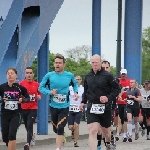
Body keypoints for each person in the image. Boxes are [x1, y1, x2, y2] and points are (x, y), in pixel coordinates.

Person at [79, 54, 121, 150]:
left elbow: (117, 89)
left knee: (106, 132)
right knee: (93, 130)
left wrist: (108, 97)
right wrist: (83, 102)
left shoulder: (108, 75)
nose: (94, 64)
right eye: (93, 62)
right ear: (91, 63)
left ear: (100, 63)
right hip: (92, 106)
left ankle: (109, 142)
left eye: (96, 62)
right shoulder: (88, 76)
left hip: (105, 107)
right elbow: (86, 91)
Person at [39, 54, 78, 150]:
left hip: (64, 106)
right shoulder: (49, 75)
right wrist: (49, 92)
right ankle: (61, 136)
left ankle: (58, 148)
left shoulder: (69, 75)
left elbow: (75, 84)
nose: (57, 65)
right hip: (53, 106)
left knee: (60, 128)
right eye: (56, 63)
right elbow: (41, 87)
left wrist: (76, 92)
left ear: (64, 64)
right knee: (55, 129)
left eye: (60, 63)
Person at [0, 68, 30, 150]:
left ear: (16, 75)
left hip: (16, 114)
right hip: (5, 114)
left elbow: (28, 97)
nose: (10, 75)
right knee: (5, 137)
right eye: (8, 73)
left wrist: (23, 100)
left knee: (12, 135)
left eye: (12, 73)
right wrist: (2, 100)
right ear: (6, 76)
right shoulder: (2, 87)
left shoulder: (20, 87)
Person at [19, 67, 41, 150]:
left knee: (29, 124)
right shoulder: (21, 84)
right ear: (25, 74)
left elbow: (39, 94)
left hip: (33, 107)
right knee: (27, 126)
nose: (29, 75)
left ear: (33, 74)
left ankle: (27, 144)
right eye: (27, 73)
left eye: (30, 73)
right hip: (24, 108)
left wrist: (39, 96)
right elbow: (18, 94)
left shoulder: (37, 84)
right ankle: (31, 136)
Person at [68, 75, 84, 147]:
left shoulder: (83, 89)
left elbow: (85, 98)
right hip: (70, 109)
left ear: (81, 80)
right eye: (76, 79)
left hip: (79, 109)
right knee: (71, 127)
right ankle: (72, 131)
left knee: (76, 125)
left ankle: (76, 142)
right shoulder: (70, 88)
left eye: (79, 79)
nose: (77, 81)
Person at [116, 69, 130, 142]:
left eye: (124, 74)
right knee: (119, 119)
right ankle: (118, 133)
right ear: (120, 74)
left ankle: (125, 134)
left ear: (126, 74)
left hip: (126, 102)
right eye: (122, 74)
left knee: (125, 118)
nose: (123, 75)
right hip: (118, 102)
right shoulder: (117, 81)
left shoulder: (129, 81)